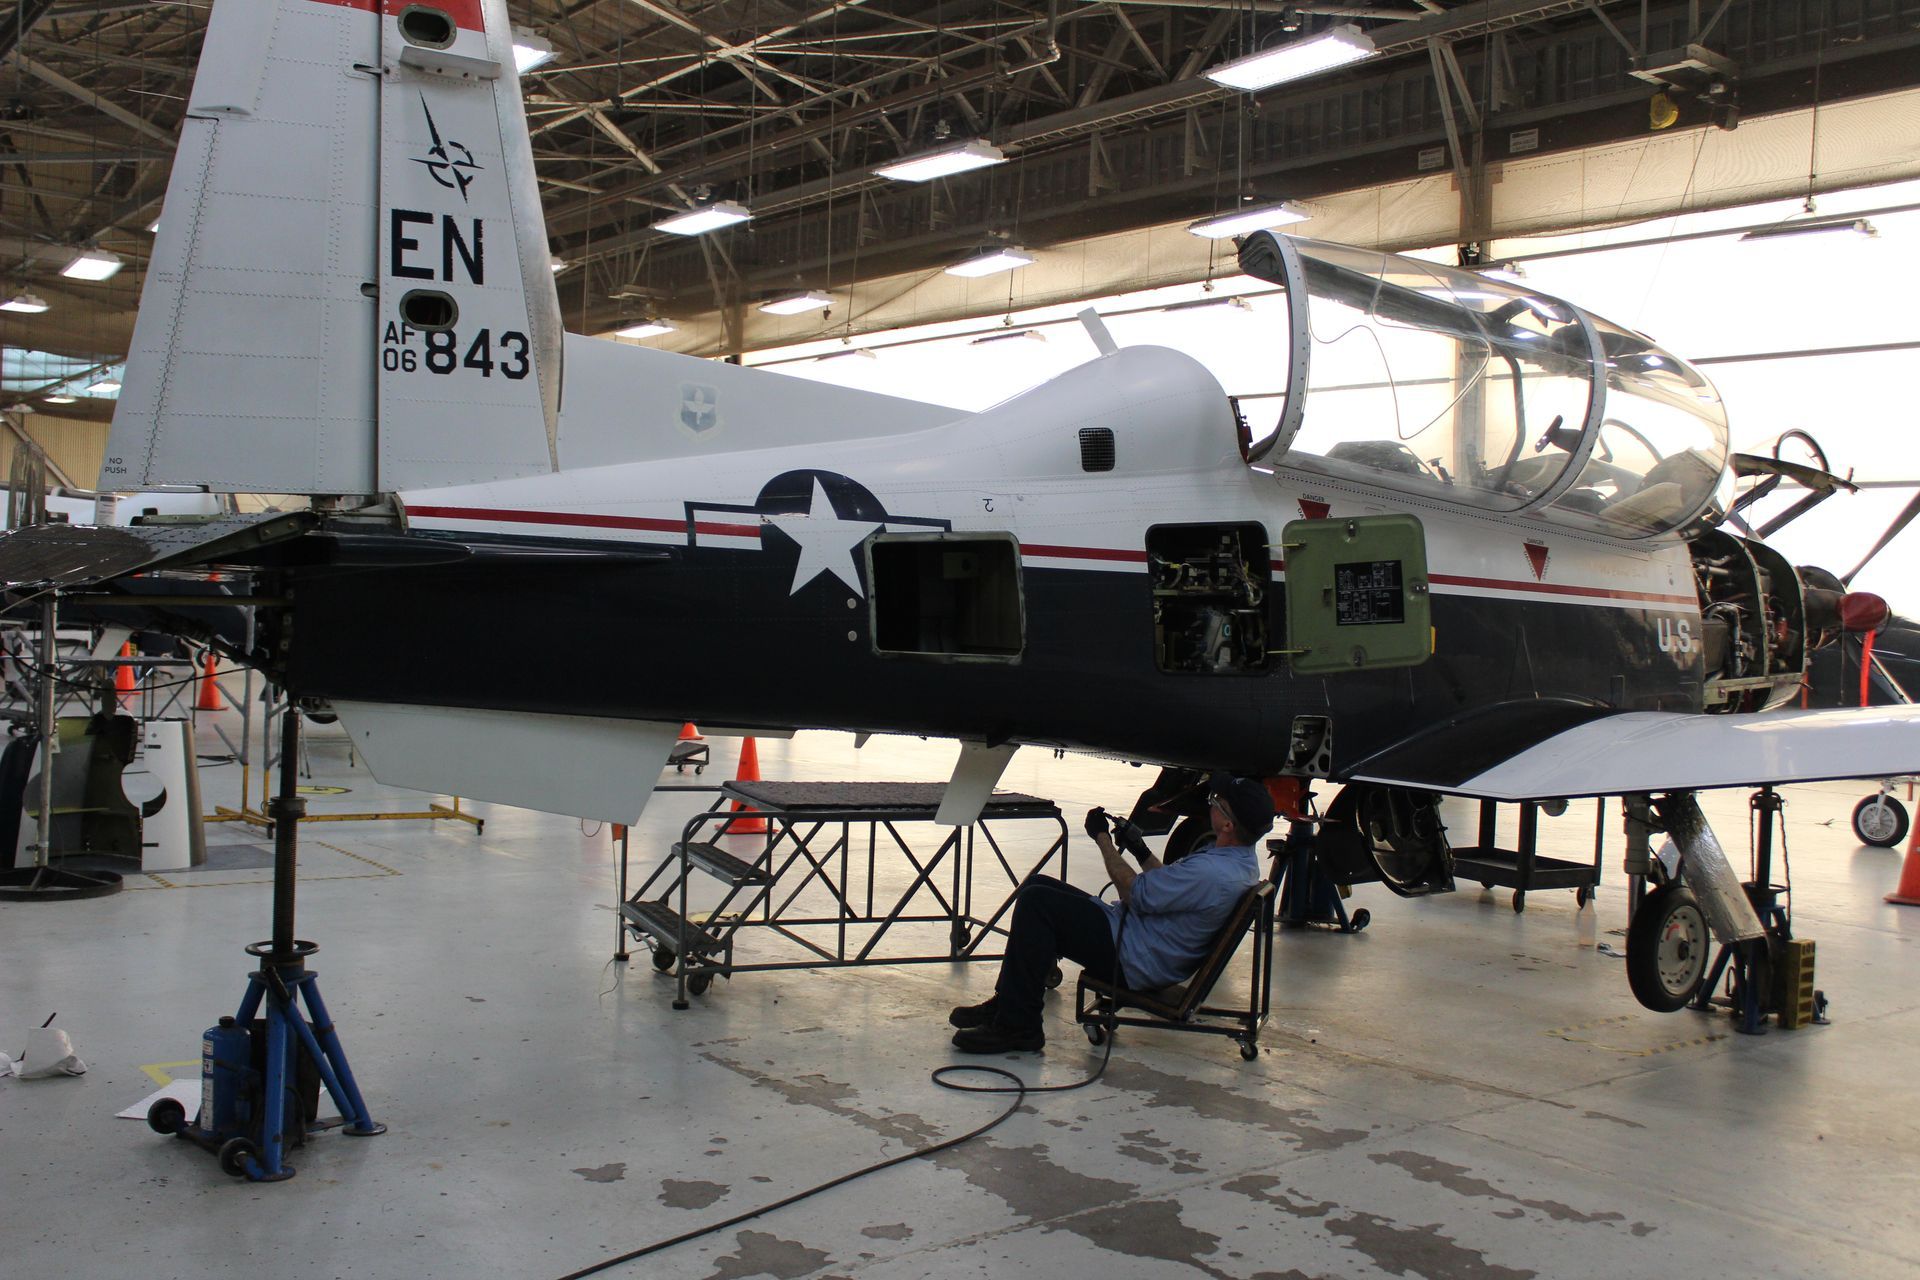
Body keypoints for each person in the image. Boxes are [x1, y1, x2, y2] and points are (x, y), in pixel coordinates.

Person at [948, 772, 1274, 1053]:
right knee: (1037, 885)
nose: (1211, 802)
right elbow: (1169, 889)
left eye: (1217, 801)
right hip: (1144, 943)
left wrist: (1101, 839)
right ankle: (1009, 1002)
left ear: (1228, 824)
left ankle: (1020, 1026)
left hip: (1132, 957)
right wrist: (1139, 847)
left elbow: (1136, 893)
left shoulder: (1212, 873)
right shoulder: (1237, 863)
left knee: (1037, 905)